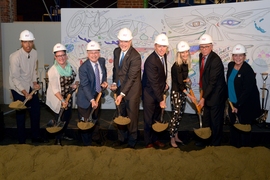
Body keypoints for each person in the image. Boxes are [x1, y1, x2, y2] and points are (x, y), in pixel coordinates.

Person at [9, 30, 47, 144]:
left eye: (30, 41)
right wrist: (25, 93)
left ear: (33, 42)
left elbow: (33, 71)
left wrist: (35, 82)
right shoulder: (15, 57)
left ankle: (35, 136)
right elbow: (15, 78)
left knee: (35, 111)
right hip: (18, 88)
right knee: (21, 114)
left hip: (30, 85)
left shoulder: (34, 53)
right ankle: (22, 140)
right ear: (21, 42)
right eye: (25, 42)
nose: (28, 45)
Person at [110, 28, 142, 149]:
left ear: (131, 41)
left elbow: (131, 78)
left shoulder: (135, 56)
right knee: (120, 115)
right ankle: (121, 139)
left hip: (132, 92)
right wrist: (114, 82)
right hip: (119, 89)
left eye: (126, 41)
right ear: (118, 41)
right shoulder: (116, 51)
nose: (123, 44)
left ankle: (132, 141)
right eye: (121, 41)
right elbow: (116, 69)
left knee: (132, 117)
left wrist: (122, 94)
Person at [227, 44, 261, 148]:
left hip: (244, 104)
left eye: (240, 55)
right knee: (233, 127)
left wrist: (238, 105)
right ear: (232, 56)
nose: (238, 58)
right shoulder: (230, 66)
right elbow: (229, 83)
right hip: (232, 102)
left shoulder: (248, 70)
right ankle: (235, 148)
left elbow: (247, 91)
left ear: (244, 56)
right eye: (235, 55)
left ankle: (245, 150)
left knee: (244, 128)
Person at [46, 43, 79, 146]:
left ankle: (63, 134)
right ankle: (58, 139)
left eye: (63, 55)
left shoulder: (71, 66)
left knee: (67, 117)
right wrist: (62, 101)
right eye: (58, 56)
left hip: (68, 97)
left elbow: (77, 78)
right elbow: (55, 89)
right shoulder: (53, 71)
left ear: (66, 55)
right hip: (58, 98)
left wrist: (76, 84)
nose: (61, 58)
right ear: (55, 57)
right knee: (59, 118)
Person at [197, 34, 227, 146]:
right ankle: (205, 141)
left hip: (216, 95)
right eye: (202, 47)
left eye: (206, 47)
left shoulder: (216, 60)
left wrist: (204, 97)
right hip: (208, 93)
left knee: (216, 122)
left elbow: (212, 82)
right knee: (206, 120)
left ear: (211, 46)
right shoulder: (201, 56)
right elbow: (204, 76)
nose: (204, 49)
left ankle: (215, 144)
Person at [77, 41, 108, 146]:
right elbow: (85, 86)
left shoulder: (102, 61)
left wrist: (104, 82)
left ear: (99, 53)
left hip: (97, 96)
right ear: (87, 53)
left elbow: (103, 73)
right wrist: (92, 100)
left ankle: (95, 137)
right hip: (85, 99)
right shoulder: (83, 68)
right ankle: (87, 144)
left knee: (95, 118)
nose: (94, 55)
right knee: (86, 122)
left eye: (96, 52)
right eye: (91, 53)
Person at [142, 33, 169, 148]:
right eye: (159, 46)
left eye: (164, 46)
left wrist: (165, 84)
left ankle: (155, 139)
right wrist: (161, 100)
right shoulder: (151, 60)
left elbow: (160, 76)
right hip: (149, 94)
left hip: (157, 91)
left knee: (156, 119)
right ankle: (148, 142)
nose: (162, 49)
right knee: (149, 120)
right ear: (155, 46)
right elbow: (153, 82)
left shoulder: (163, 56)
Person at [170, 41, 196, 148]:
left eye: (186, 52)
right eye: (182, 53)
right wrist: (190, 96)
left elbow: (183, 80)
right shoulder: (176, 66)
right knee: (175, 116)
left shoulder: (185, 64)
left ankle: (176, 136)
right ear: (179, 54)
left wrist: (187, 79)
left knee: (180, 116)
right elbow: (180, 85)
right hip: (177, 93)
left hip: (182, 93)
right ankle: (172, 139)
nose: (185, 55)